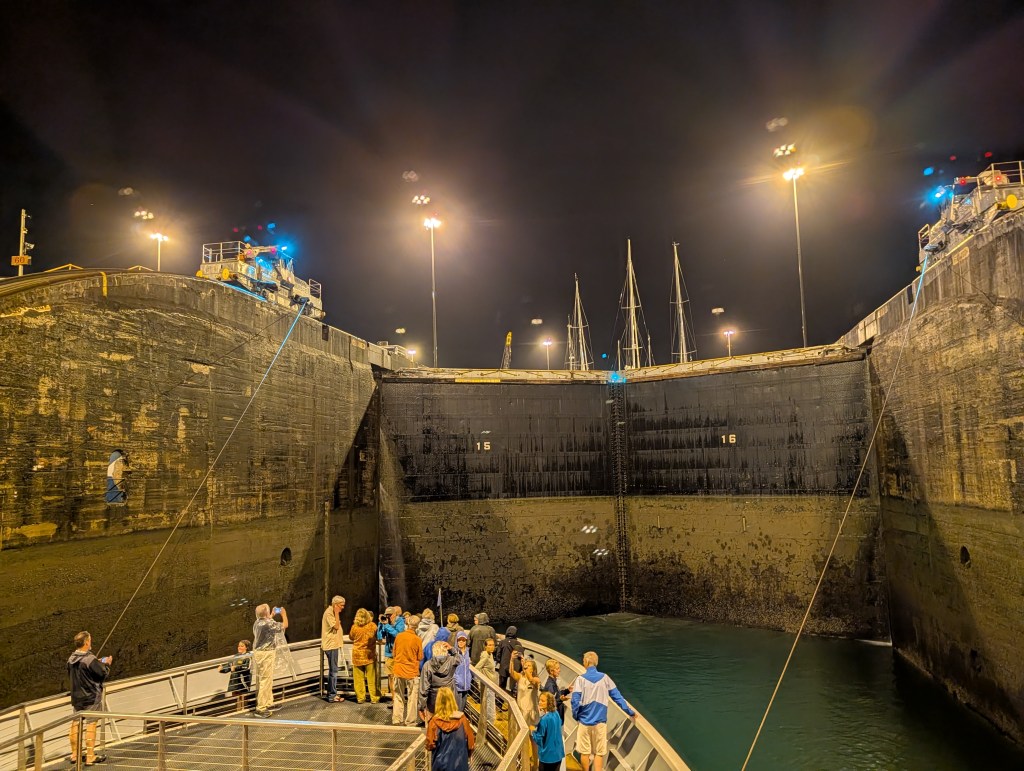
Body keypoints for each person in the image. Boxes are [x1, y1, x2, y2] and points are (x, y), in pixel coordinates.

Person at [570, 651, 636, 771]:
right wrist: (630, 711)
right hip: (600, 722)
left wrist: (576, 715)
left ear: (585, 662)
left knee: (585, 752)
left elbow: (575, 701)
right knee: (598, 753)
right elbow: (617, 697)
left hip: (584, 722)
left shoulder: (580, 680)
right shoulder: (605, 678)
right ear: (596, 663)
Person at [67, 631, 111, 766]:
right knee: (91, 725)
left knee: (76, 724)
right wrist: (107, 664)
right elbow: (102, 673)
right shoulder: (90, 659)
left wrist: (96, 662)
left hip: (77, 699)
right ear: (86, 642)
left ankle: (75, 754)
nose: (90, 642)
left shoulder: (71, 659)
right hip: (91, 697)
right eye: (90, 640)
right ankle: (90, 756)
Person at [425, 686, 475, 771]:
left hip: (440, 765)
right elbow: (471, 744)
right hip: (460, 764)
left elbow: (430, 745)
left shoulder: (434, 721)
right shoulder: (462, 719)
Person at [252, 603, 288, 717]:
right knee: (265, 681)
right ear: (266, 613)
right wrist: (284, 614)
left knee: (267, 680)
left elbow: (268, 623)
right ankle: (261, 708)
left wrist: (272, 614)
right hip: (266, 654)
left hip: (260, 653)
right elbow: (284, 625)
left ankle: (268, 702)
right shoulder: (269, 624)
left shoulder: (258, 622)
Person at [392, 614, 424, 726]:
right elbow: (420, 657)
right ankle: (410, 721)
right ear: (417, 626)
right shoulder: (417, 640)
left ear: (408, 623)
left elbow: (394, 653)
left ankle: (397, 719)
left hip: (398, 670)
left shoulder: (399, 636)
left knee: (398, 695)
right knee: (412, 697)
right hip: (411, 672)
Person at [419, 640, 458, 720]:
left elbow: (424, 688)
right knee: (448, 721)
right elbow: (460, 659)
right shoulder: (452, 661)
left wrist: (421, 707)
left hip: (433, 699)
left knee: (433, 723)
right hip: (449, 696)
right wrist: (451, 649)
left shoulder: (427, 665)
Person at [350, 608, 380, 703]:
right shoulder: (372, 626)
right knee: (372, 678)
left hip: (357, 656)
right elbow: (377, 635)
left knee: (358, 679)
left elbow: (351, 637)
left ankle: (360, 698)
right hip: (369, 655)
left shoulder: (354, 627)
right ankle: (374, 698)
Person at [531, 692, 565, 771]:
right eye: (539, 700)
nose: (539, 702)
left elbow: (539, 739)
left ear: (549, 703)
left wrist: (533, 731)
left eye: (543, 701)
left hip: (547, 757)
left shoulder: (544, 719)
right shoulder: (556, 714)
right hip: (558, 754)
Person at [321, 595, 346, 703]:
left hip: (334, 645)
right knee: (334, 671)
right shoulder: (329, 613)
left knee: (333, 670)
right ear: (335, 605)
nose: (343, 607)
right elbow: (335, 626)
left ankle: (332, 694)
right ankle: (332, 695)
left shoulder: (330, 612)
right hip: (331, 646)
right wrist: (336, 613)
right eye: (341, 605)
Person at [377, 606, 405, 698]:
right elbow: (380, 637)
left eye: (390, 615)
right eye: (386, 615)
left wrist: (387, 625)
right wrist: (380, 625)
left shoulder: (400, 621)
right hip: (389, 653)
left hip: (398, 654)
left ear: (394, 614)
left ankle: (399, 698)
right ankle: (394, 699)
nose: (388, 617)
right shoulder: (386, 623)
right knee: (390, 677)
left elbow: (397, 634)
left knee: (398, 677)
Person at [219, 640, 252, 711]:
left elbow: (247, 667)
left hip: (242, 680)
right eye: (239, 646)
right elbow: (229, 666)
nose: (239, 647)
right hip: (234, 680)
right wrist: (222, 669)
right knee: (235, 698)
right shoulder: (236, 656)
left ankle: (243, 711)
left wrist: (236, 668)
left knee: (242, 697)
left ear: (246, 647)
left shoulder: (248, 656)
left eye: (242, 646)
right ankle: (238, 711)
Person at [476, 637, 499, 724]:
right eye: (489, 645)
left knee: (489, 705)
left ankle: (488, 723)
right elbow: (477, 668)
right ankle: (489, 724)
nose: (492, 647)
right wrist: (480, 681)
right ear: (485, 647)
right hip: (488, 685)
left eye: (493, 645)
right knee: (490, 706)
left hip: (491, 684)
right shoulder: (485, 656)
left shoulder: (490, 654)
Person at [540, 658, 570, 724]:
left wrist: (567, 690)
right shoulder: (550, 685)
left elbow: (557, 695)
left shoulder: (553, 682)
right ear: (551, 671)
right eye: (557, 669)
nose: (560, 670)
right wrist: (561, 699)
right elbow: (551, 704)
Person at [496, 626, 524, 691]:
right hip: (513, 668)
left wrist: (501, 662)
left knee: (501, 687)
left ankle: (499, 700)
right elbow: (521, 657)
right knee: (513, 687)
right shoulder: (518, 643)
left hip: (503, 667)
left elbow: (498, 655)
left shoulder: (502, 642)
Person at [453, 631, 472, 710]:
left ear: (466, 641)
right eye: (459, 640)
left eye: (463, 640)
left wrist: (470, 678)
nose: (461, 642)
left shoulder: (468, 652)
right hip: (457, 685)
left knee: (463, 707)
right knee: (457, 707)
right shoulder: (454, 653)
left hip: (466, 685)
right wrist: (456, 679)